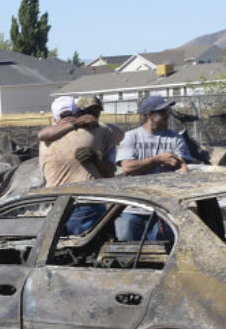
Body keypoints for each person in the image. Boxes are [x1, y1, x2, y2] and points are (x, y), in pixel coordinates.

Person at [113, 96, 195, 240]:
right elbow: (127, 168)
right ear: (149, 115)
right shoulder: (131, 137)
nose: (167, 115)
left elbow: (182, 169)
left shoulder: (175, 139)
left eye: (167, 111)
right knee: (125, 252)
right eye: (163, 112)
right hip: (134, 207)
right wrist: (158, 159)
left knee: (162, 253)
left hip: (164, 210)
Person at [38, 96, 118, 234]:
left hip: (82, 202)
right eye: (87, 112)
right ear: (79, 113)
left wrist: (96, 159)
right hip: (64, 202)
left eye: (96, 113)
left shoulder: (103, 134)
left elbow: (109, 173)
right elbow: (42, 134)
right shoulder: (54, 133)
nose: (92, 116)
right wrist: (75, 123)